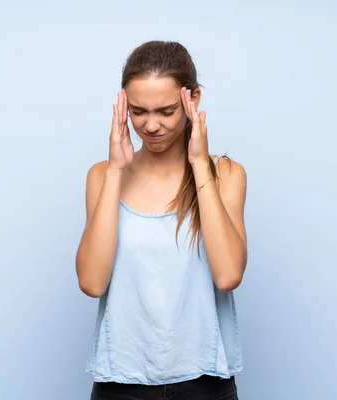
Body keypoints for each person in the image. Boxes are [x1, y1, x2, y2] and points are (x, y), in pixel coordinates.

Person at [75, 40, 248, 400]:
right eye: (138, 111)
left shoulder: (226, 174)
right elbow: (92, 282)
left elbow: (228, 275)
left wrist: (200, 164)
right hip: (120, 384)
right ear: (123, 105)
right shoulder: (102, 176)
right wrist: (116, 172)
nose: (150, 125)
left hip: (207, 384)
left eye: (166, 111)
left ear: (193, 99)